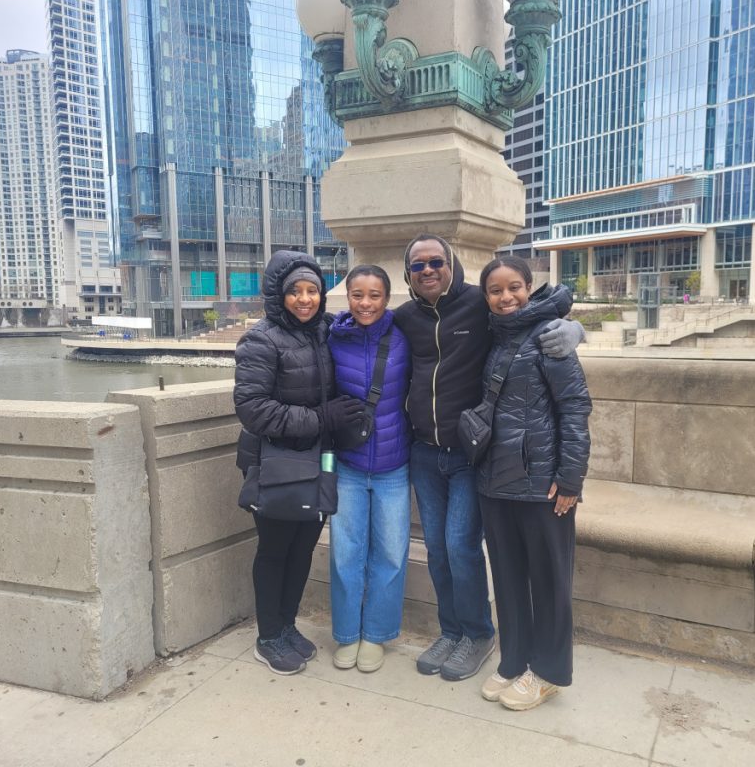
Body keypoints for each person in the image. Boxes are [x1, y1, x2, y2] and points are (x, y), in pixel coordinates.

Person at [393, 234, 586, 682]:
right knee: (438, 550)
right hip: (424, 451)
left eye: (436, 261)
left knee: (461, 546)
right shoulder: (403, 318)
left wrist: (575, 329)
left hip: (470, 454)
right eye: (418, 265)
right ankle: (452, 630)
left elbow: (532, 308)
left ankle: (478, 635)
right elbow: (359, 329)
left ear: (452, 264)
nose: (428, 270)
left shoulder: (480, 303)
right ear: (408, 274)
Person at [234, 250, 364, 675]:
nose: (305, 299)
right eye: (295, 292)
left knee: (304, 547)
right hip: (273, 459)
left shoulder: (326, 330)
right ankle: (268, 635)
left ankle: (287, 625)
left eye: (313, 291)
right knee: (274, 549)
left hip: (315, 460)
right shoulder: (261, 339)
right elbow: (253, 408)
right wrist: (321, 418)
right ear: (279, 295)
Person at [475, 255, 591, 711]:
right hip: (495, 481)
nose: (506, 297)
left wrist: (570, 480)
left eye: (515, 287)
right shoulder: (495, 337)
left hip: (543, 485)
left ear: (530, 287)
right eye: (496, 290)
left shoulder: (551, 339)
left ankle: (548, 671)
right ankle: (515, 659)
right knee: (505, 578)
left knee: (548, 581)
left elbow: (575, 410)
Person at [327, 265, 412, 673]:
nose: (365, 303)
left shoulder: (404, 336)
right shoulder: (331, 338)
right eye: (357, 295)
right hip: (348, 464)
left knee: (392, 554)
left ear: (387, 297)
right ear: (347, 297)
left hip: (394, 464)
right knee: (346, 554)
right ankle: (346, 634)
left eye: (374, 295)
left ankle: (376, 634)